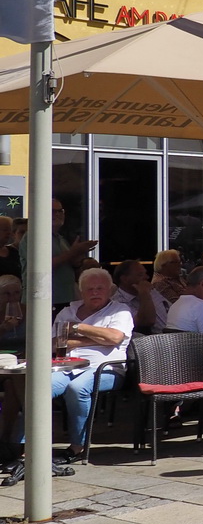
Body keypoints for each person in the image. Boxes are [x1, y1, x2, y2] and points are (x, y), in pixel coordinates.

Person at [4, 267, 134, 476]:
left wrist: (77, 328)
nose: (95, 292)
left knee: (77, 388)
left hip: (106, 368)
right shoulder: (67, 311)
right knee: (38, 388)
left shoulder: (119, 311)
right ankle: (25, 450)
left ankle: (77, 446)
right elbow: (53, 343)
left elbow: (114, 338)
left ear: (110, 289)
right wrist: (94, 339)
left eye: (100, 288)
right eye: (89, 289)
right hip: (66, 367)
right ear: (81, 291)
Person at [21, 198, 98, 309]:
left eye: (60, 211)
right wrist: (73, 252)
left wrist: (77, 258)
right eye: (52, 211)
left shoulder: (60, 239)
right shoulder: (34, 236)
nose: (57, 214)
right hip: (44, 302)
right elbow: (42, 267)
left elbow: (66, 263)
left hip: (64, 299)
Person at [111, 259, 157, 334]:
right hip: (157, 338)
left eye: (145, 273)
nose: (147, 277)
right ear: (125, 279)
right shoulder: (118, 302)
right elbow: (147, 321)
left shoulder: (151, 290)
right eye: (140, 275)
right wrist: (144, 294)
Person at [149, 249, 184, 327]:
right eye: (175, 262)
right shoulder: (160, 283)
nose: (180, 265)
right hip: (175, 322)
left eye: (179, 262)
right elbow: (177, 304)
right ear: (163, 265)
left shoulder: (178, 278)